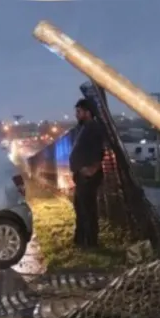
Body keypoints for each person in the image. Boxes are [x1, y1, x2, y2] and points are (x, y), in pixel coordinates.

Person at [69, 98, 105, 248]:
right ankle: (81, 239)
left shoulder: (93, 128)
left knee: (87, 210)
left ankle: (90, 242)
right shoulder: (84, 128)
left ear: (88, 113)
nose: (76, 115)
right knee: (80, 207)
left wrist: (91, 169)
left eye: (79, 112)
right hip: (82, 176)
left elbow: (99, 150)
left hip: (88, 177)